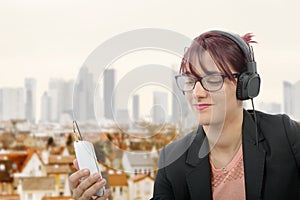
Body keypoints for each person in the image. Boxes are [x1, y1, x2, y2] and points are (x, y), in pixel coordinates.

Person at [151, 30, 300, 200]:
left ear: (245, 85)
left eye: (213, 80)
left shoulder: (286, 137)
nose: (197, 92)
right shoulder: (172, 160)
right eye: (190, 81)